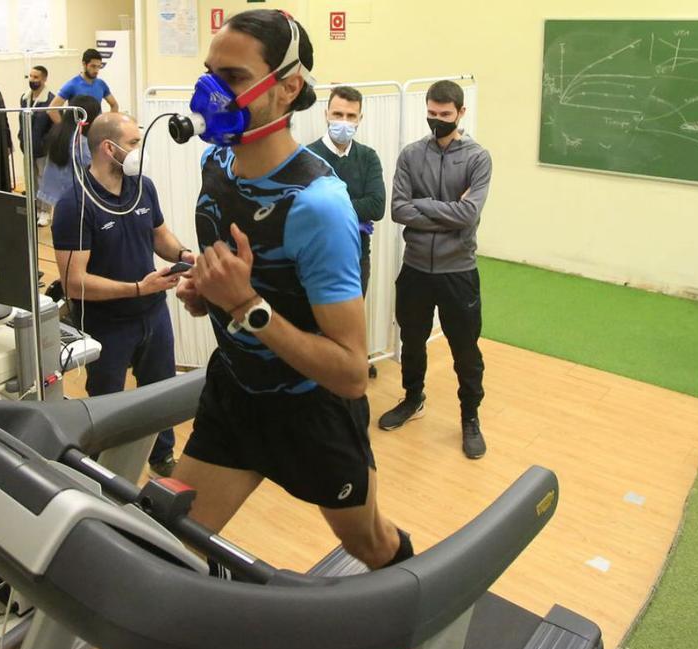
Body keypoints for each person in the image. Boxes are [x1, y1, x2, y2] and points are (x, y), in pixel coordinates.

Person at [174, 9, 412, 572]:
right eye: (207, 73)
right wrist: (208, 291)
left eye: (230, 78)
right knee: (167, 544)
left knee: (370, 544)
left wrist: (245, 306)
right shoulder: (217, 163)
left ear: (287, 88)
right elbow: (246, 282)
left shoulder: (320, 205)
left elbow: (353, 373)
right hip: (235, 396)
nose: (209, 91)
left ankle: (422, 631)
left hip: (312, 415)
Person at [52, 113, 195, 477]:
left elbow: (159, 234)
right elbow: (74, 283)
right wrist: (135, 288)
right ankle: (103, 474)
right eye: (133, 143)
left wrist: (182, 255)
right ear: (108, 148)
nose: (139, 151)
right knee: (108, 405)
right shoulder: (75, 204)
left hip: (153, 314)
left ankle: (162, 457)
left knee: (161, 393)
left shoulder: (143, 187)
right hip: (107, 326)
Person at [381, 80, 493, 460]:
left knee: (465, 349)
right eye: (431, 114)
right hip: (415, 270)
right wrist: (443, 207)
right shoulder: (411, 155)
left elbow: (469, 214)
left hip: (458, 271)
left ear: (461, 113)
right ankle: (413, 398)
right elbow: (398, 209)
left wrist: (422, 204)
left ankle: (470, 417)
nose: (437, 121)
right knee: (411, 341)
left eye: (445, 115)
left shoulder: (478, 158)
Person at [306, 86, 385, 379]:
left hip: (356, 254)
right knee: (316, 320)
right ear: (326, 114)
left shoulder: (367, 157)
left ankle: (351, 368)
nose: (343, 120)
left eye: (351, 116)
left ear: (360, 118)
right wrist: (351, 211)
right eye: (338, 113)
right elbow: (307, 208)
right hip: (317, 255)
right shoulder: (307, 156)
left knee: (351, 320)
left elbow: (376, 206)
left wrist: (333, 209)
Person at [36, 95, 100, 217]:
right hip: (73, 197)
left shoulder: (59, 132)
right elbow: (91, 167)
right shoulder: (79, 141)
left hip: (57, 195)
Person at [48, 48, 119, 124]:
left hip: (95, 130)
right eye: (93, 66)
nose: (96, 70)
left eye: (99, 66)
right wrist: (64, 130)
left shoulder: (101, 84)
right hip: (78, 130)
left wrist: (109, 123)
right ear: (84, 64)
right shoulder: (72, 85)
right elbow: (52, 110)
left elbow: (114, 105)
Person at [19, 66, 55, 193]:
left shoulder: (51, 100)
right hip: (27, 149)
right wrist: (21, 138)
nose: (32, 79)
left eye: (36, 77)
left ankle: (44, 210)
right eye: (30, 76)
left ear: (44, 79)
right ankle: (32, 208)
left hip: (43, 150)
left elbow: (54, 127)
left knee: (44, 181)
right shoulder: (24, 99)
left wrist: (45, 142)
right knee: (30, 181)